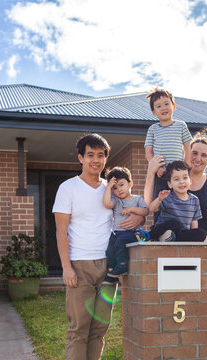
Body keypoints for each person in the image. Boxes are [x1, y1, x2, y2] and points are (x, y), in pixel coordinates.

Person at [52, 133, 144, 360]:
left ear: (105, 159)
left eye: (101, 155)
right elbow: (60, 230)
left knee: (99, 330)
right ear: (80, 158)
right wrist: (66, 268)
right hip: (80, 264)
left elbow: (132, 210)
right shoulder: (68, 188)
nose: (96, 160)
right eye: (90, 154)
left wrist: (138, 220)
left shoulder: (112, 188)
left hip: (108, 265)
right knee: (79, 329)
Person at [144, 128, 207, 243]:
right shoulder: (170, 178)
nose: (198, 159)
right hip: (164, 245)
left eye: (204, 155)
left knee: (200, 233)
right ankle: (151, 236)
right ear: (186, 153)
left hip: (199, 244)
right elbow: (148, 205)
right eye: (194, 153)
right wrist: (151, 172)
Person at [101, 166, 149, 286]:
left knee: (120, 242)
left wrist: (132, 209)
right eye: (115, 188)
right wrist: (108, 188)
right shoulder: (116, 201)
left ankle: (122, 266)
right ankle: (112, 273)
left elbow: (145, 211)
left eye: (122, 185)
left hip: (130, 232)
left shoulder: (137, 199)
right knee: (110, 248)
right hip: (116, 232)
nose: (119, 190)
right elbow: (106, 203)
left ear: (130, 183)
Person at [144, 87, 192, 202]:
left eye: (166, 104)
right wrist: (157, 168)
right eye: (159, 106)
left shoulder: (181, 125)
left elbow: (188, 148)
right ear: (154, 112)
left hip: (178, 174)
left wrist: (186, 167)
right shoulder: (153, 129)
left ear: (173, 106)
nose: (163, 108)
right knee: (160, 202)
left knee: (180, 201)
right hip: (161, 174)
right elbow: (148, 151)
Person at [147, 161, 207, 242]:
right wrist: (159, 199)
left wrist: (194, 234)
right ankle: (148, 236)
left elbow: (194, 222)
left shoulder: (194, 200)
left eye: (185, 178)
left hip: (181, 234)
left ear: (190, 181)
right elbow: (152, 209)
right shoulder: (167, 197)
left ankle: (171, 238)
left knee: (201, 233)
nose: (181, 182)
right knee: (175, 224)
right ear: (170, 184)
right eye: (176, 179)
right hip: (164, 230)